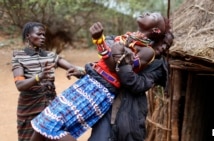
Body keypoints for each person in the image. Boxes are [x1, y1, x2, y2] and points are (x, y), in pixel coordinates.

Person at [30, 12, 172, 141]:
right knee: (43, 121)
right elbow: (107, 61)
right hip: (88, 83)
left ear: (156, 30)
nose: (146, 13)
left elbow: (116, 68)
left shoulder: (148, 53)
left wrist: (103, 44)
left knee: (52, 125)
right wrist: (101, 45)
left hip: (100, 91)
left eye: (152, 16)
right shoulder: (126, 37)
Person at [88, 14, 174, 141]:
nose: (163, 48)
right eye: (163, 43)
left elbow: (136, 84)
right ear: (155, 36)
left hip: (129, 115)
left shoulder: (158, 66)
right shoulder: (131, 43)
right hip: (107, 107)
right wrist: (85, 69)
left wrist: (122, 61)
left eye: (167, 47)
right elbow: (107, 64)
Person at [11, 22, 80, 141]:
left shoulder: (50, 56)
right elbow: (20, 85)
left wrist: (80, 71)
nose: (43, 37)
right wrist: (39, 77)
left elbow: (73, 68)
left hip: (51, 108)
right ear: (28, 36)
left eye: (44, 35)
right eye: (39, 34)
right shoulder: (19, 56)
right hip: (29, 109)